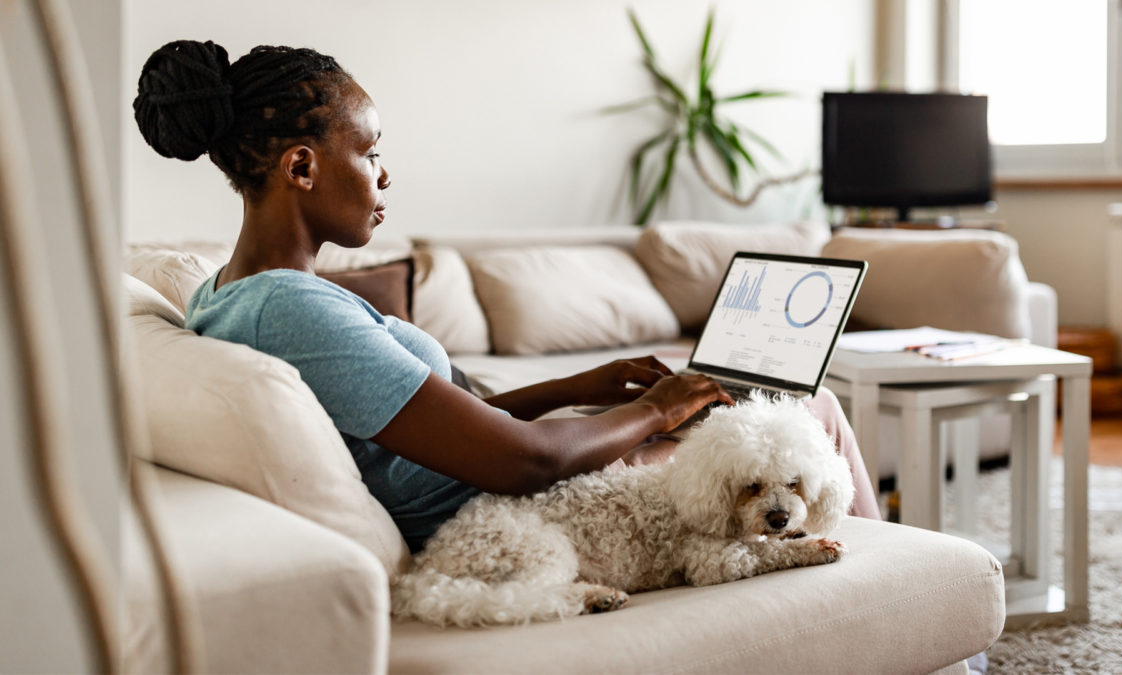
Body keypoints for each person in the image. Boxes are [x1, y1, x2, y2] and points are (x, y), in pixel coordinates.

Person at [133, 40, 880, 554]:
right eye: (369, 151)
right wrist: (659, 408)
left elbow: (438, 426)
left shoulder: (224, 294)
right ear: (301, 166)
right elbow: (519, 462)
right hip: (517, 510)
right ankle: (914, 612)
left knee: (756, 405)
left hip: (502, 482)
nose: (383, 176)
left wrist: (579, 386)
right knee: (806, 409)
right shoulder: (290, 310)